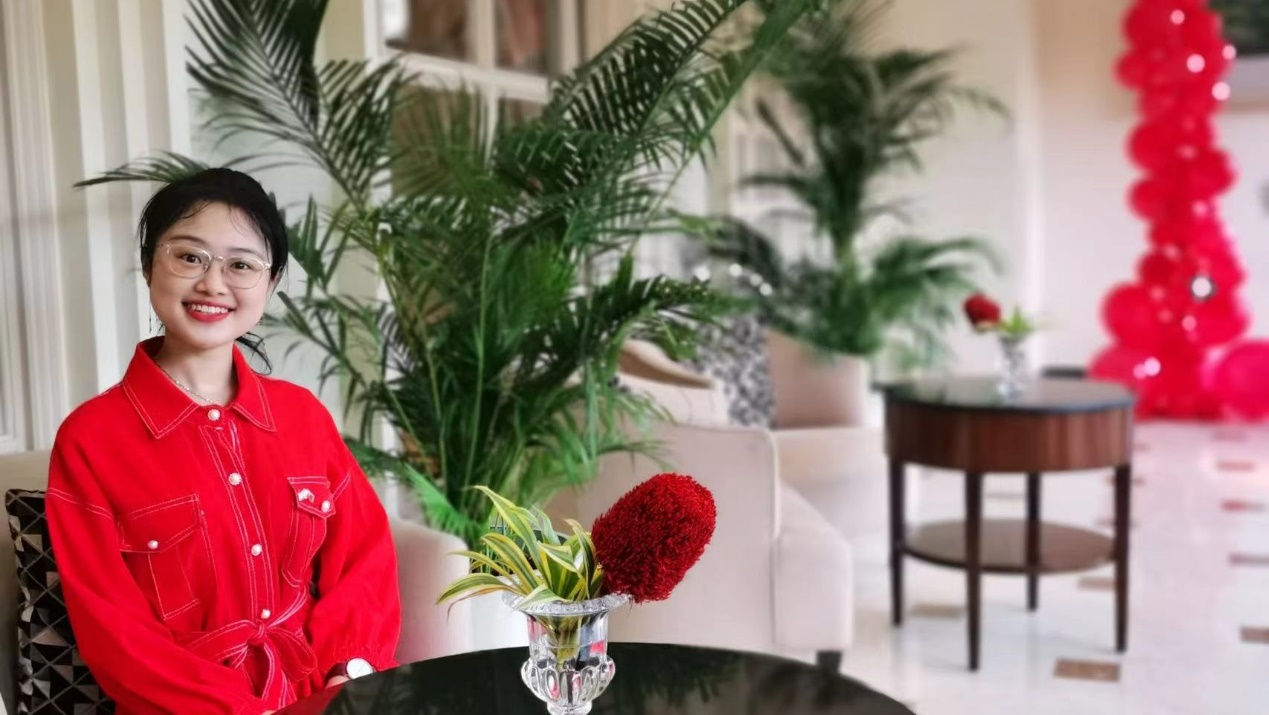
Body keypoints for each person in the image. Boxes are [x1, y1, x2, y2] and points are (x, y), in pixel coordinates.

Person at [46, 169, 402, 715]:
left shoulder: (302, 416)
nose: (213, 284)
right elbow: (114, 631)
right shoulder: (90, 439)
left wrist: (347, 673)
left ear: (271, 282)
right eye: (189, 257)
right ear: (148, 265)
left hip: (319, 697)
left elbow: (362, 558)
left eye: (241, 265)